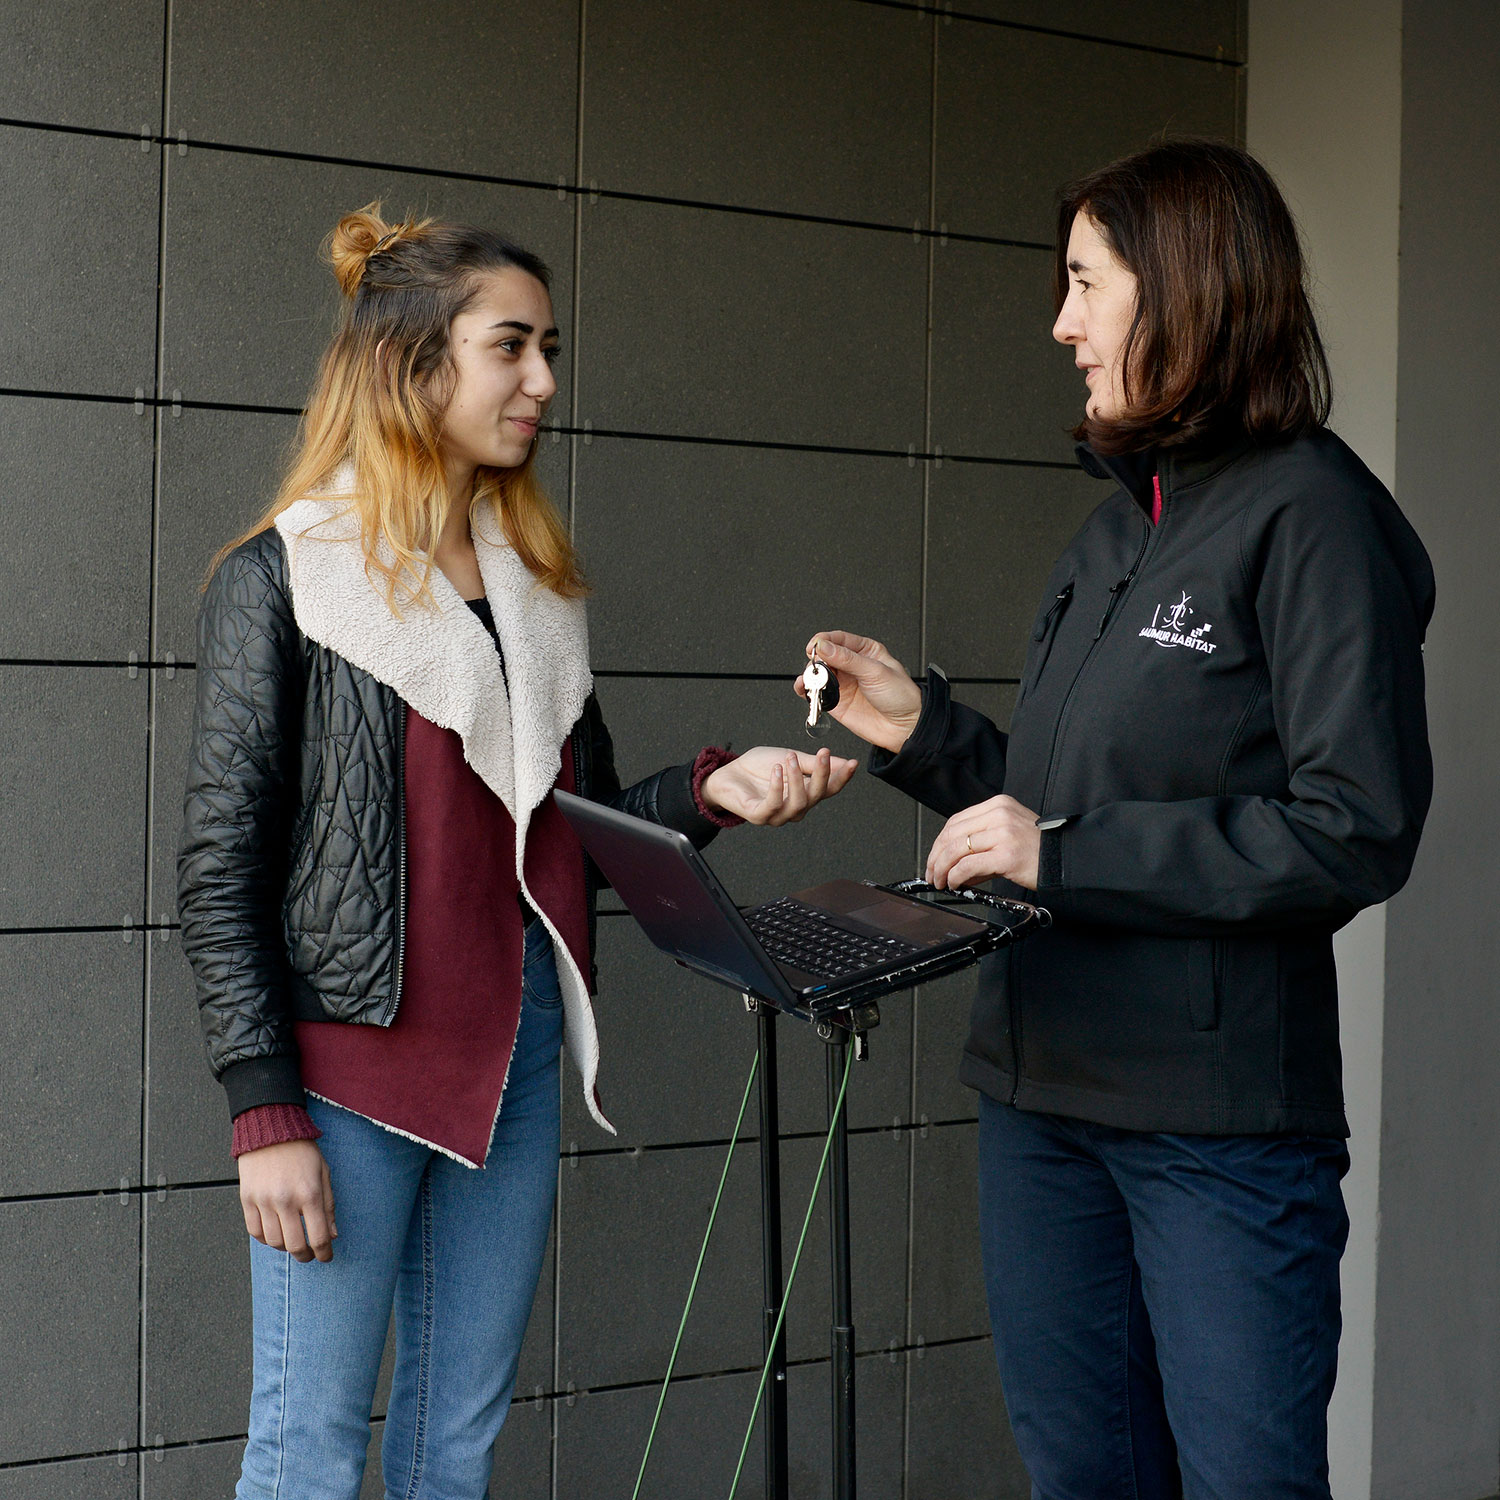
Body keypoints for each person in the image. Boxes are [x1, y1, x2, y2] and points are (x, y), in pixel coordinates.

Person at [177, 203, 857, 1500]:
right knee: (306, 1455)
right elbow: (220, 865)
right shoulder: (281, 579)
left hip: (517, 1059)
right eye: (512, 347)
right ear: (413, 364)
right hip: (343, 1078)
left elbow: (571, 827)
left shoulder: (535, 587)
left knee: (455, 1452)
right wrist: (263, 1110)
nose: (544, 381)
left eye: (550, 347)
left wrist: (720, 787)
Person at [799, 139, 1434, 1497]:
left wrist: (1065, 851)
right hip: (1041, 1104)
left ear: (1188, 293)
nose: (1062, 322)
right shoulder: (1110, 534)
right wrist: (926, 736)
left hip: (1213, 1133)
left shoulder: (1313, 517)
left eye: (1086, 284)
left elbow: (1352, 824)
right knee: (1082, 1477)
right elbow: (1059, 806)